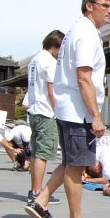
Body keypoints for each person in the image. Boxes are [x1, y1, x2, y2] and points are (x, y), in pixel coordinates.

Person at [25, 0, 110, 218]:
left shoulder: (77, 31)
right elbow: (84, 77)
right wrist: (95, 116)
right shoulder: (85, 34)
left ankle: (41, 201)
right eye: (105, 5)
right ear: (89, 6)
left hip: (69, 109)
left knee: (70, 162)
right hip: (78, 111)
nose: (109, 11)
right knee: (77, 166)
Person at [24, 30, 64, 204]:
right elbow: (51, 89)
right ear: (56, 46)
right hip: (45, 111)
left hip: (34, 110)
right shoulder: (49, 62)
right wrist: (60, 111)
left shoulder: (34, 60)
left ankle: (34, 189)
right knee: (43, 153)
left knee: (36, 152)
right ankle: (37, 192)